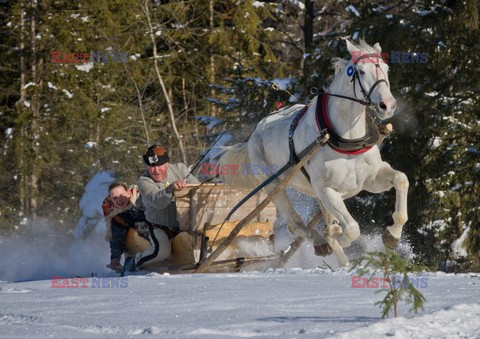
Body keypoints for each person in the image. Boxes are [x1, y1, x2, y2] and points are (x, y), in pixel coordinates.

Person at [127, 144, 199, 271]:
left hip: (185, 223)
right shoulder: (144, 181)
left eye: (159, 165)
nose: (156, 170)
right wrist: (171, 188)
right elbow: (157, 201)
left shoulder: (180, 169)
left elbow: (198, 188)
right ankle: (136, 261)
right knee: (162, 252)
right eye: (152, 167)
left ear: (167, 163)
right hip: (159, 225)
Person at [101, 182, 143, 271]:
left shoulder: (139, 196)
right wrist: (115, 258)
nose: (119, 200)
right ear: (111, 200)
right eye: (115, 198)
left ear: (128, 193)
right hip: (134, 238)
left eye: (121, 195)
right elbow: (116, 237)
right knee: (119, 221)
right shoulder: (114, 213)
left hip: (153, 226)